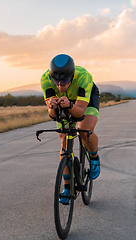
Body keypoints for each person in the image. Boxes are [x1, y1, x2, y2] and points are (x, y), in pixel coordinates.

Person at [40, 54, 100, 204]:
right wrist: (52, 106)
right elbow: (53, 115)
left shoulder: (83, 77)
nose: (60, 86)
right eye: (57, 82)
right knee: (64, 140)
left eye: (65, 81)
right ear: (51, 76)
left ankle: (94, 157)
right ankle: (67, 187)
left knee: (84, 131)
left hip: (85, 100)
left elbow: (80, 112)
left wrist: (71, 105)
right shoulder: (45, 79)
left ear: (72, 77)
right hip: (64, 101)